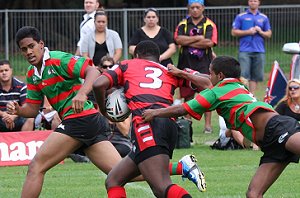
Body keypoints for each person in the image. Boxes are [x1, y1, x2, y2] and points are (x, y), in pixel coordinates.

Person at [10, 26, 206, 197]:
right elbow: (33, 108)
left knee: (36, 166)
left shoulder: (58, 59)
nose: (28, 52)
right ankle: (182, 167)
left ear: (41, 44)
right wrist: (19, 110)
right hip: (91, 121)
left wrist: (82, 94)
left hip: (79, 119)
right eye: (24, 49)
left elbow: (93, 72)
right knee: (118, 174)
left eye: (31, 46)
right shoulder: (32, 74)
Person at [142, 55, 300, 197]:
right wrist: (183, 74)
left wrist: (155, 113)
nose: (209, 76)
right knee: (253, 193)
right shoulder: (237, 85)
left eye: (211, 73)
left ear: (220, 75)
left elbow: (183, 109)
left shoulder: (216, 93)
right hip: (271, 144)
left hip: (277, 128)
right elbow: (205, 81)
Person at [93, 40, 210, 197]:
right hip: (168, 124)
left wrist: (104, 110)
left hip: (147, 123)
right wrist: (183, 73)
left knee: (161, 187)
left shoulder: (127, 65)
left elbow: (98, 84)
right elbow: (208, 83)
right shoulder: (169, 70)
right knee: (114, 180)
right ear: (159, 58)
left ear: (136, 55)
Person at [174, 0, 218, 135]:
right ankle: (187, 124)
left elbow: (210, 42)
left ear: (203, 8)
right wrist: (198, 38)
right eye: (192, 7)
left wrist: (188, 41)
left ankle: (208, 125)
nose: (194, 10)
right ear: (188, 8)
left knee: (207, 95)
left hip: (204, 65)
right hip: (185, 65)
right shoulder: (183, 24)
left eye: (197, 7)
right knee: (187, 96)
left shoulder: (209, 24)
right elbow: (178, 40)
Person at [231, 0, 272, 95]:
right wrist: (248, 32)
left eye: (255, 1)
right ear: (248, 2)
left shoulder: (263, 17)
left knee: (255, 76)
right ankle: (243, 94)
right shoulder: (241, 16)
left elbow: (269, 34)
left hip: (259, 50)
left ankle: (252, 95)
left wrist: (261, 32)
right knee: (244, 74)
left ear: (259, 3)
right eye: (251, 1)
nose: (253, 2)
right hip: (245, 50)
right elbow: (234, 32)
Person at [0, 60, 34, 132]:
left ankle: (24, 141)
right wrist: (4, 115)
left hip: (18, 117)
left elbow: (25, 107)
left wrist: (13, 116)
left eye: (6, 70)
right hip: (1, 118)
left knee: (30, 118)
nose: (4, 73)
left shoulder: (22, 86)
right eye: (1, 71)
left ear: (11, 71)